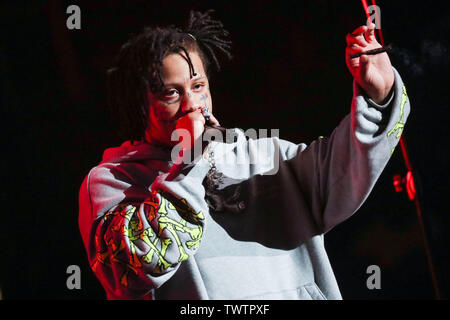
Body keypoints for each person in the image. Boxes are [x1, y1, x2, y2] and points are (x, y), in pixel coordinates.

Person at [78, 10, 410, 300]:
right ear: (141, 103)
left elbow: (345, 172)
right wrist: (189, 162)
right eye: (172, 93)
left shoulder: (264, 155)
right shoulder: (113, 182)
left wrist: (378, 98)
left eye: (198, 86)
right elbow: (133, 267)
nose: (192, 104)